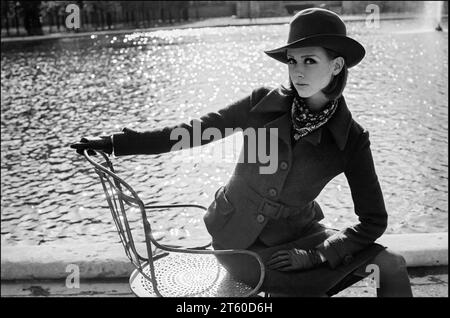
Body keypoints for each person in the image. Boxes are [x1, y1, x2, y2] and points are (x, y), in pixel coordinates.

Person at [71, 8, 413, 297]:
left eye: (310, 61)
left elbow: (373, 220)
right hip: (238, 244)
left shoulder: (351, 139)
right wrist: (118, 143)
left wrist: (319, 255)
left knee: (392, 266)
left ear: (337, 67)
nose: (297, 71)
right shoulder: (261, 105)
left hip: (303, 241)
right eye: (292, 61)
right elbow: (192, 133)